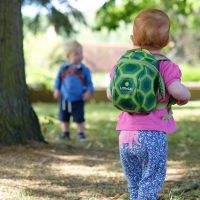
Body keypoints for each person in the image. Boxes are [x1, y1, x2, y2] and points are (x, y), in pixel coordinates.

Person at [107, 9, 191, 200]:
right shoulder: (166, 66)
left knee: (134, 182)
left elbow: (110, 93)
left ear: (132, 38)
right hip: (152, 135)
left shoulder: (123, 63)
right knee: (151, 180)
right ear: (166, 41)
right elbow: (177, 91)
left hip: (126, 136)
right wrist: (184, 96)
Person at [54, 40, 94, 141]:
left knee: (79, 117)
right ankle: (65, 133)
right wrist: (56, 90)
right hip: (64, 98)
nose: (80, 56)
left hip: (78, 98)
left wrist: (89, 92)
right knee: (64, 117)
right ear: (68, 55)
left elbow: (89, 83)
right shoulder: (63, 68)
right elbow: (57, 80)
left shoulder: (84, 70)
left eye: (81, 53)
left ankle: (80, 133)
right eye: (76, 53)